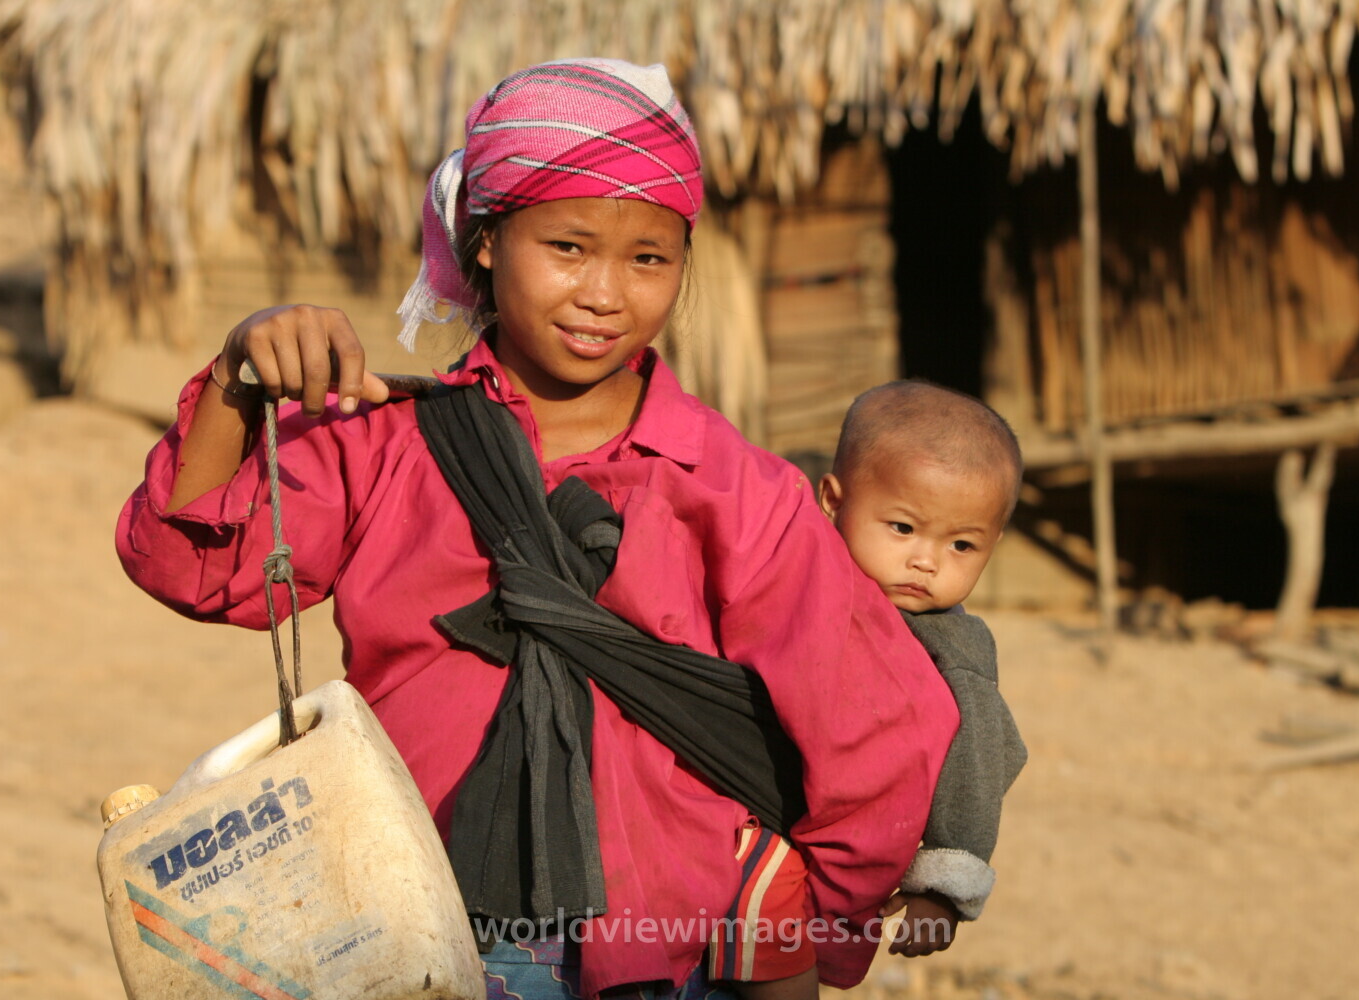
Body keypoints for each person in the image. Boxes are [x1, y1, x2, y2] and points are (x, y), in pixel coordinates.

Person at [115, 59, 956, 999]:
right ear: (485, 242)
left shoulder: (738, 490)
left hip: (668, 954)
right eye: (567, 246)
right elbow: (187, 566)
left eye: (650, 258)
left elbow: (879, 730)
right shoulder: (385, 443)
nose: (606, 293)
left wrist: (809, 938)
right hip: (409, 929)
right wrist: (239, 380)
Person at [726, 380, 1029, 1000]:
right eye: (903, 527)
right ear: (834, 500)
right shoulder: (797, 570)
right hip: (749, 806)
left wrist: (941, 885)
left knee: (777, 961)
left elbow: (983, 757)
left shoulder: (951, 647)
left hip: (816, 852)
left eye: (962, 544)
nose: (927, 561)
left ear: (993, 545)